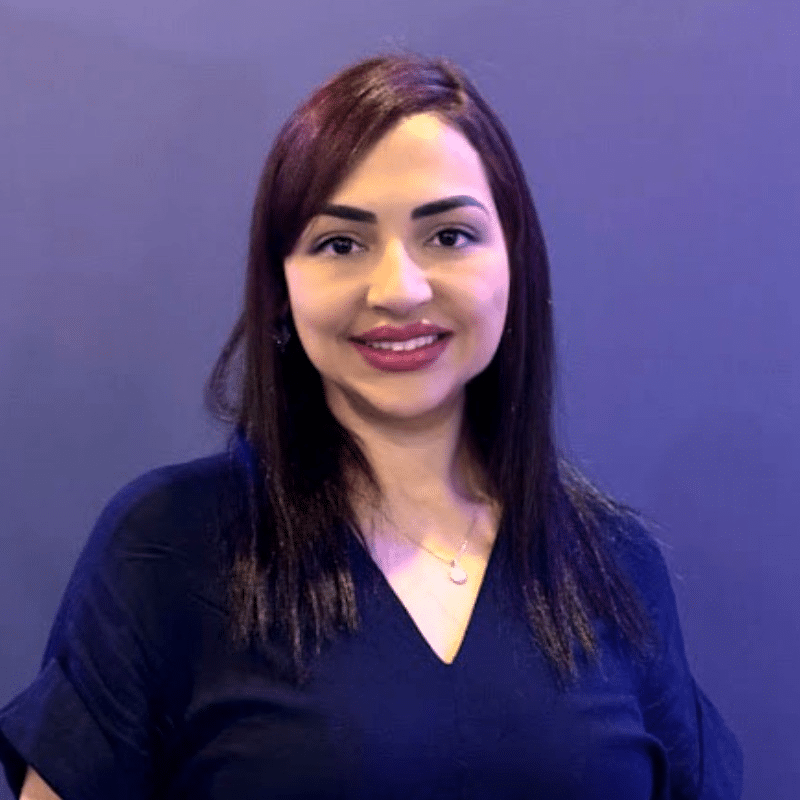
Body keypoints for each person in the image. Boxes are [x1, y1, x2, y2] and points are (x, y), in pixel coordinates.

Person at [0, 53, 742, 799]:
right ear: (281, 284)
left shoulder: (615, 564)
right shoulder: (168, 546)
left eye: (448, 236)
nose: (399, 290)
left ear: (513, 260)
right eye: (341, 244)